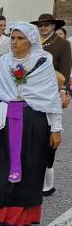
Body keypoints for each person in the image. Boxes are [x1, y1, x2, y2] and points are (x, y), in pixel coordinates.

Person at [0, 22, 63, 226]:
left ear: (31, 41)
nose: (15, 42)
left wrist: (56, 128)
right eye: (12, 38)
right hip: (4, 121)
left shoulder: (43, 62)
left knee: (29, 168)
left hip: (33, 122)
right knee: (0, 167)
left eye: (20, 38)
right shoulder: (3, 63)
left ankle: (17, 217)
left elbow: (50, 97)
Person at [30, 13, 71, 197]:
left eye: (47, 24)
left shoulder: (62, 44)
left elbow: (65, 70)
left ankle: (47, 181)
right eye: (41, 24)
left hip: (51, 92)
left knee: (49, 133)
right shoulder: (32, 41)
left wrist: (63, 91)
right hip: (31, 91)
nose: (44, 27)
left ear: (54, 26)